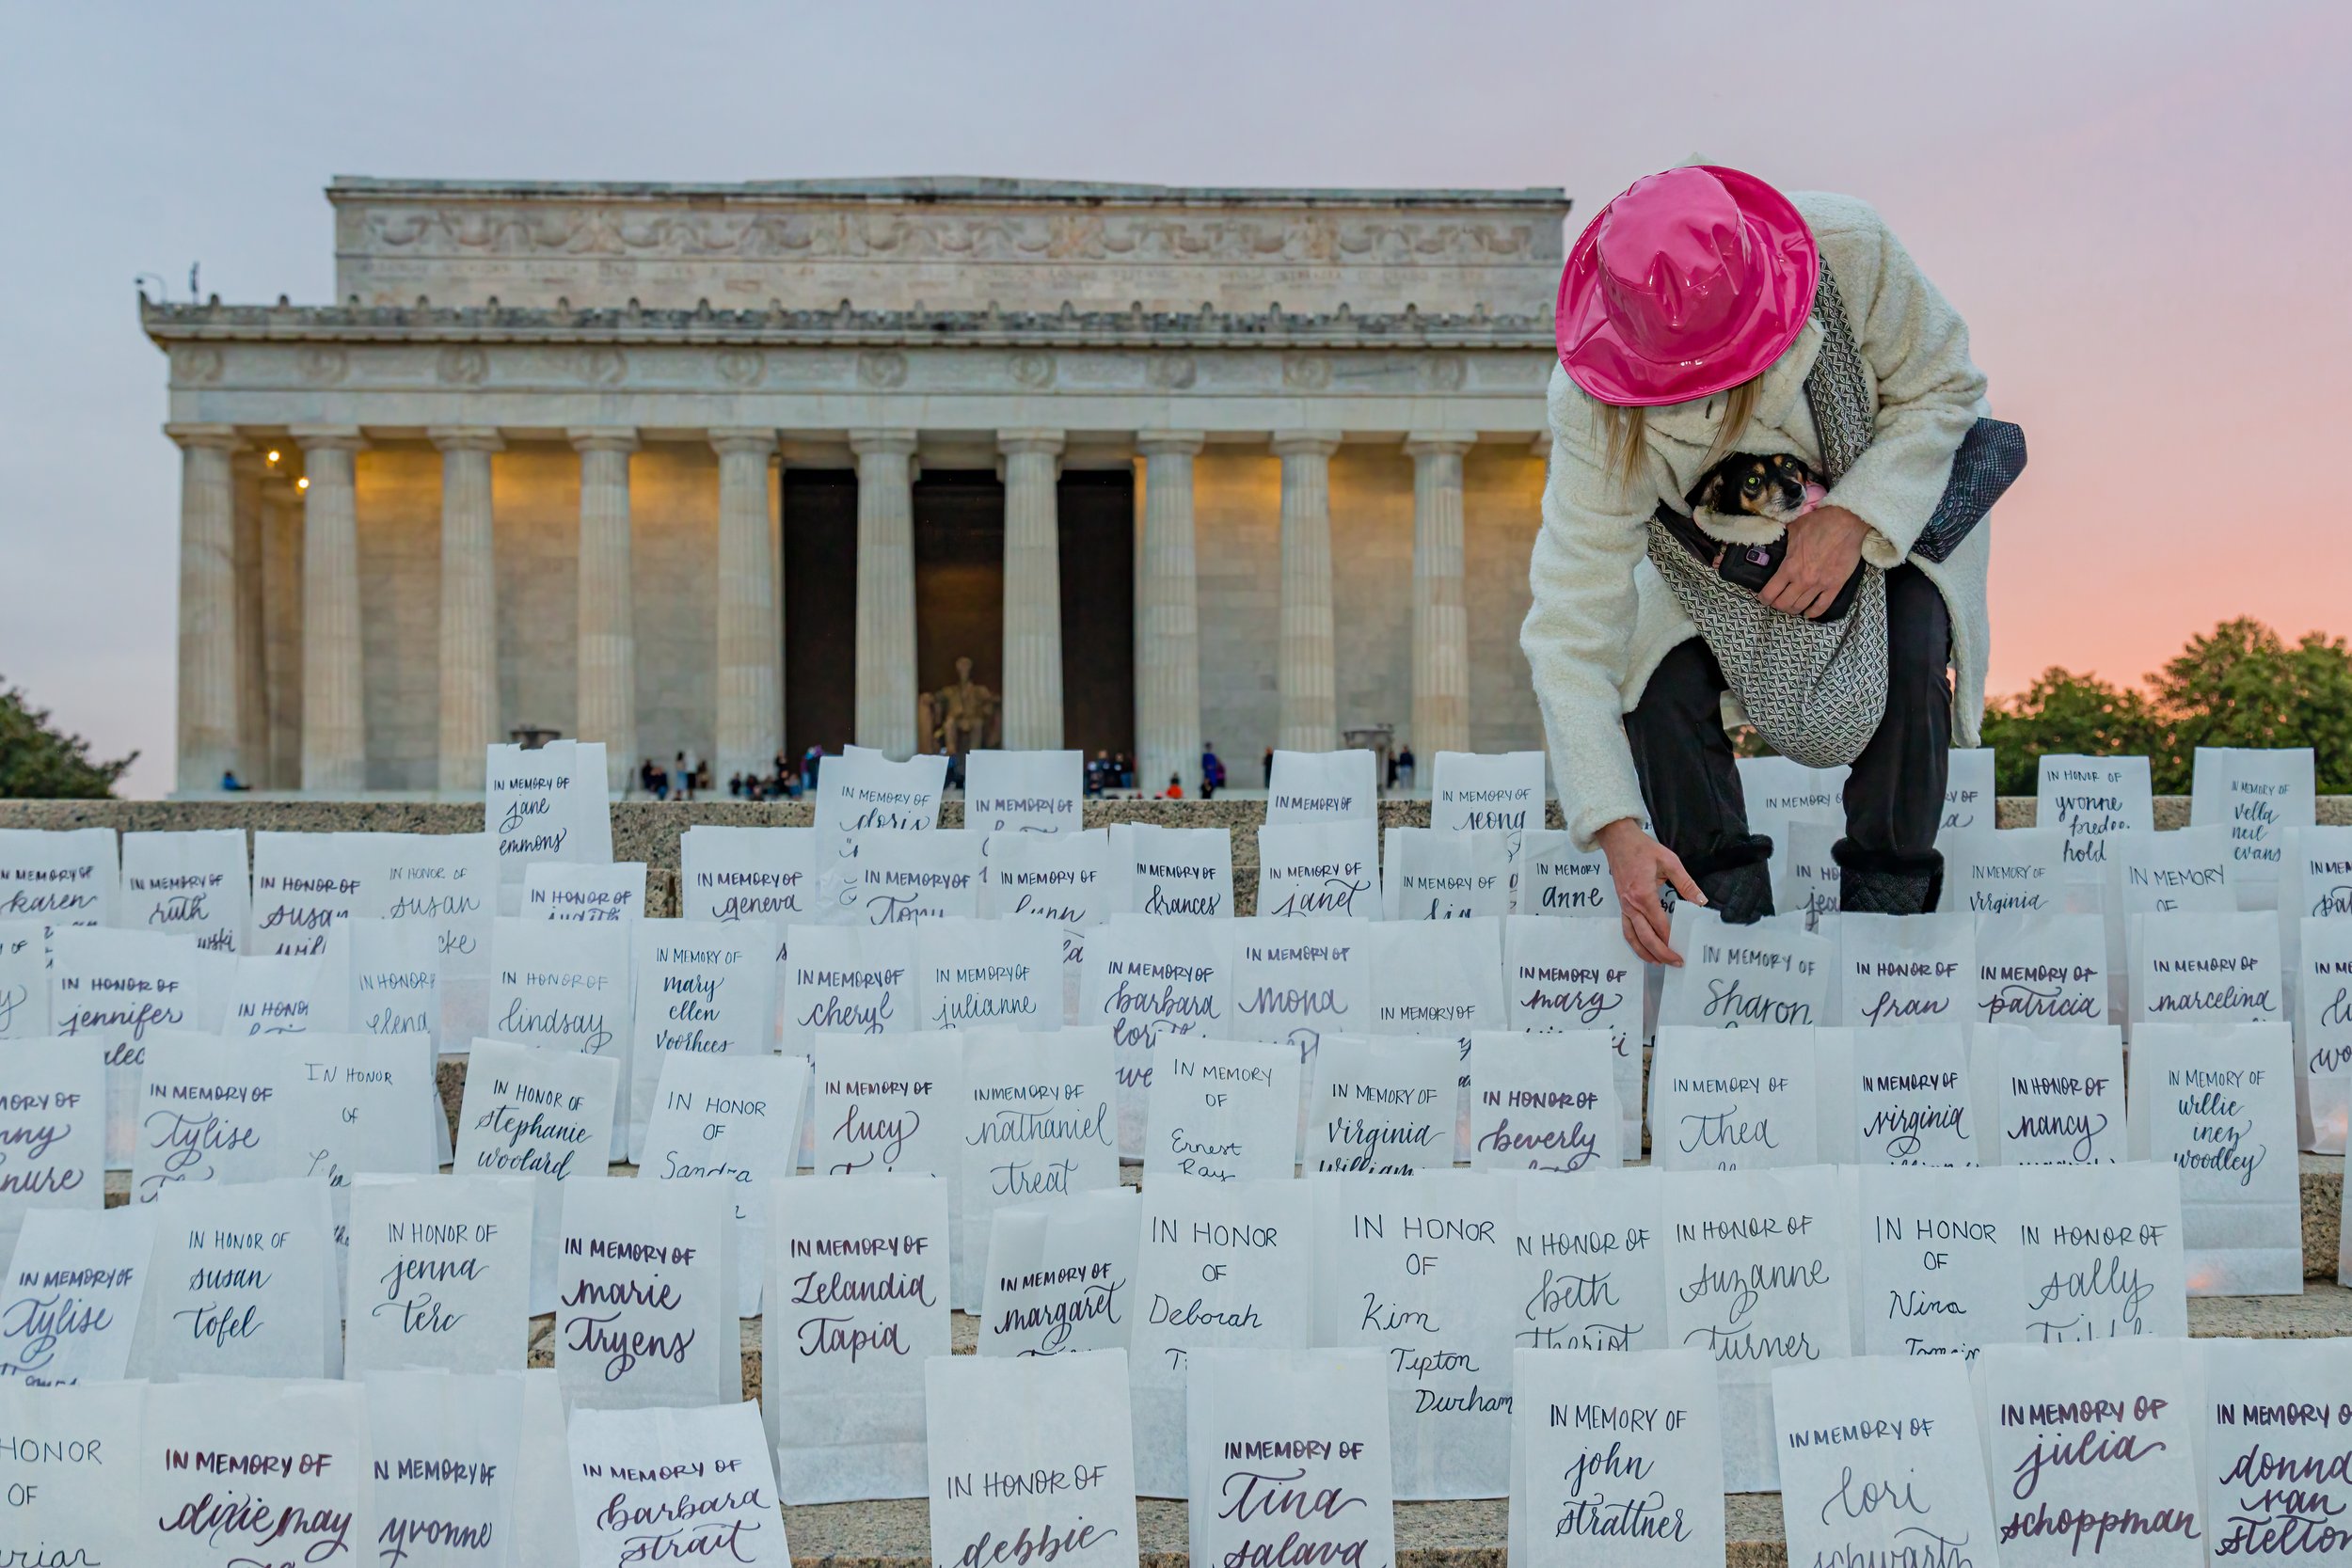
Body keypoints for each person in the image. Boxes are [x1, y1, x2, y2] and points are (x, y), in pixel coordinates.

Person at [1522, 166, 1989, 966]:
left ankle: (1889, 927)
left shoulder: (1849, 246)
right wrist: (1616, 826)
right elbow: (1571, 626)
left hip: (1881, 504)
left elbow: (1944, 389)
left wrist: (1849, 517)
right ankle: (1731, 943)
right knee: (1655, 682)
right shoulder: (1590, 403)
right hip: (1701, 559)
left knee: (1913, 652)